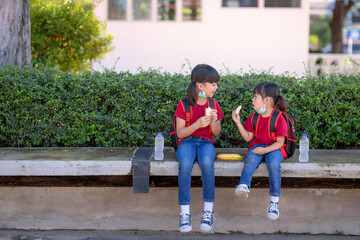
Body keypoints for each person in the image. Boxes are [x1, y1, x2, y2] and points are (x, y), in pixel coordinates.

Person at [175, 64, 224, 233]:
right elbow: (180, 133)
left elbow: (216, 133)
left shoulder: (213, 103)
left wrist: (212, 121)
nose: (216, 87)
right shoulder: (183, 105)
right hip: (187, 141)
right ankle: (184, 213)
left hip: (206, 142)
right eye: (213, 84)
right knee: (186, 165)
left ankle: (208, 211)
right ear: (200, 85)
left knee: (206, 163)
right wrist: (196, 124)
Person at [231, 82, 288, 221]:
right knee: (250, 158)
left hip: (274, 148)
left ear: (266, 100)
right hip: (258, 146)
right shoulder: (254, 117)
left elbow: (280, 142)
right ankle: (244, 185)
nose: (252, 99)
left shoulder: (279, 118)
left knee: (274, 164)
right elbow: (248, 137)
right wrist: (238, 123)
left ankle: (274, 201)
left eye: (255, 96)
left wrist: (265, 150)